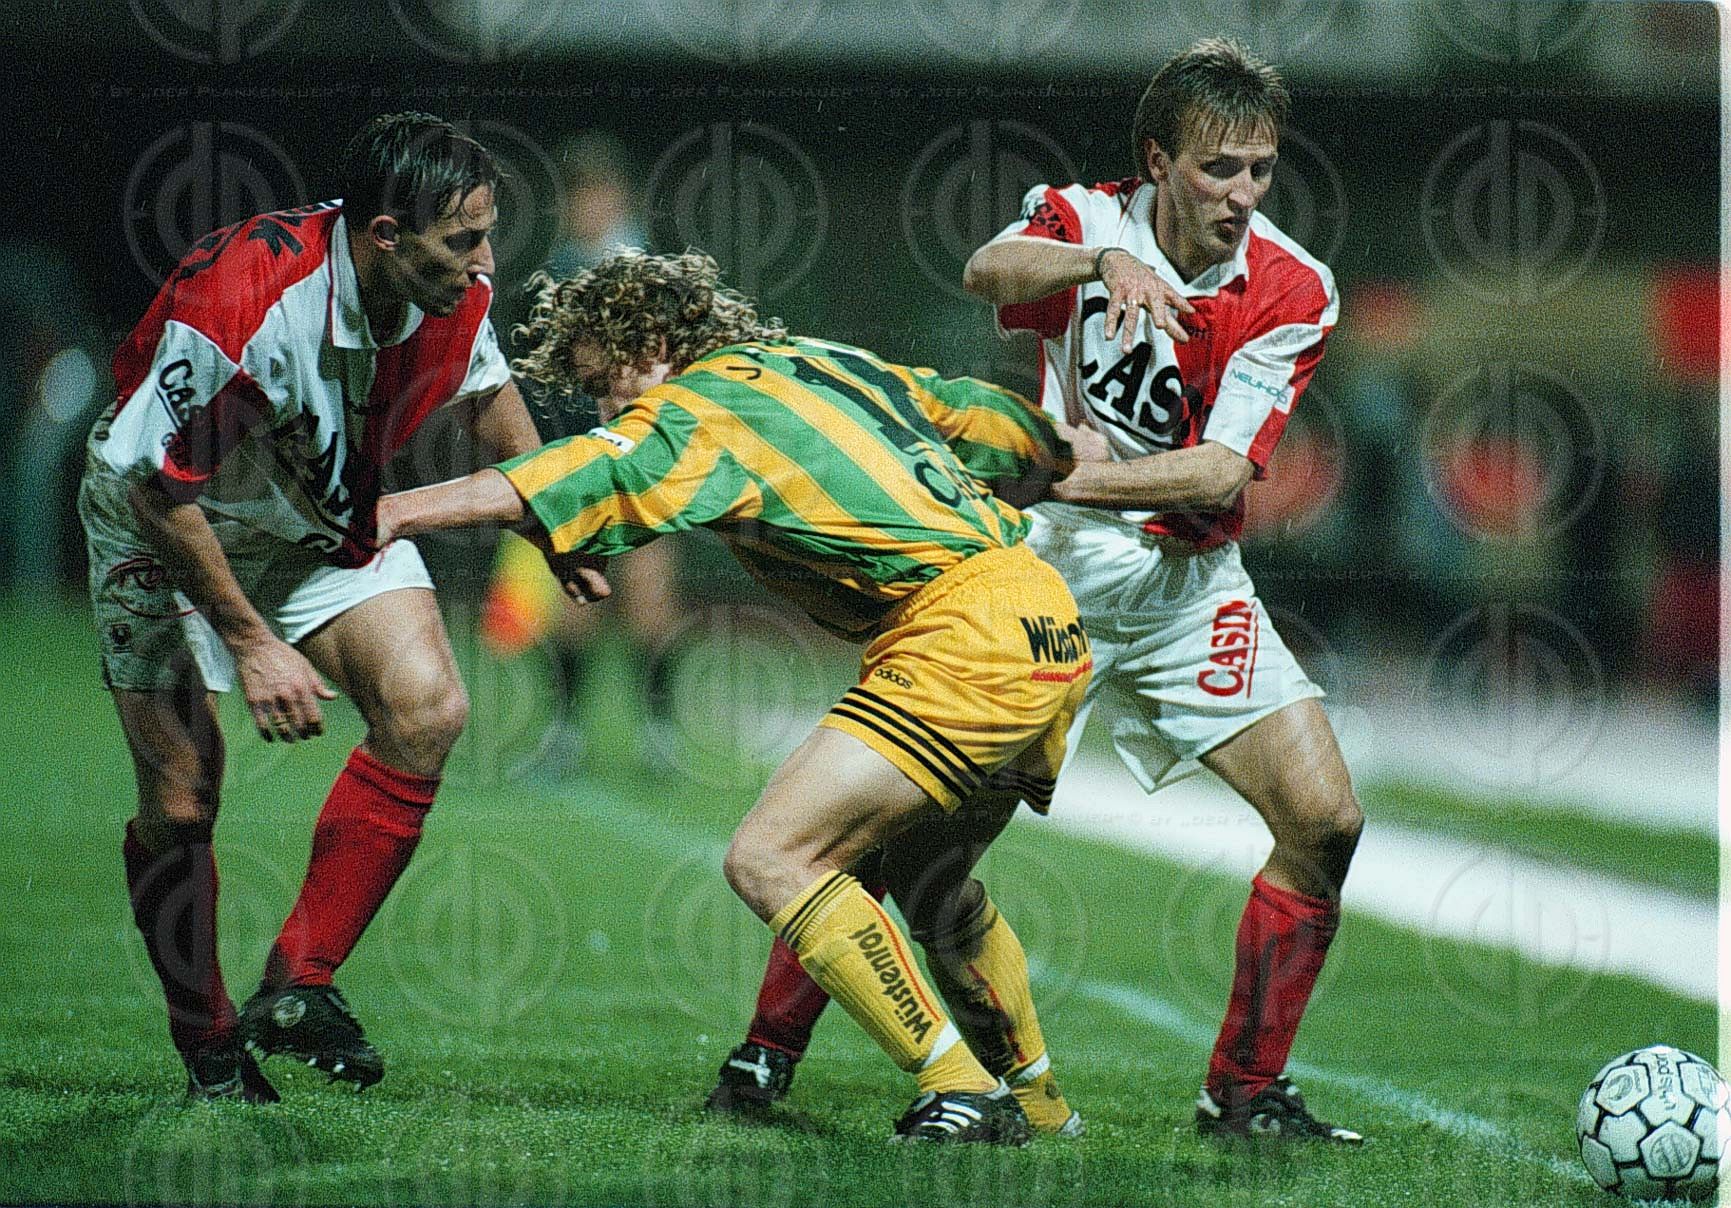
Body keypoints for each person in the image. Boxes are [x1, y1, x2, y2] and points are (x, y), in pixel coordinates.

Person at [714, 38, 1366, 1143]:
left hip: (1188, 587)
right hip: (1051, 578)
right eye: (1219, 168)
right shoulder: (1083, 216)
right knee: (914, 839)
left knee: (1326, 821)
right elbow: (988, 270)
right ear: (1157, 161)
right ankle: (765, 1053)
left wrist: (1054, 472)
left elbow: (1219, 472)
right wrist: (1098, 267)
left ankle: (1244, 1094)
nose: (1243, 194)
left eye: (1261, 169)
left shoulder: (1294, 286)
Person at [373, 249, 1091, 1143]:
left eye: (605, 385)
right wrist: (1068, 451)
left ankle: (959, 1085)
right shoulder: (824, 361)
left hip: (963, 634)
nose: (607, 413)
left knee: (773, 857)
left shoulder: (696, 408)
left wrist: (395, 511)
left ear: (652, 344)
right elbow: (982, 419)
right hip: (1044, 617)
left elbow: (562, 475)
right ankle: (1042, 1108)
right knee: (931, 884)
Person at [81, 112, 551, 1102]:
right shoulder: (248, 303)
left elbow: (490, 399)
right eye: (464, 239)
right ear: (385, 234)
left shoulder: (450, 291)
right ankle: (210, 1045)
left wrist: (560, 520)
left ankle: (298, 984)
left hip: (313, 512)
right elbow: (161, 487)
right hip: (164, 518)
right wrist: (252, 644)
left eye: (486, 234)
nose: (486, 262)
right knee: (183, 797)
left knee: (428, 707)